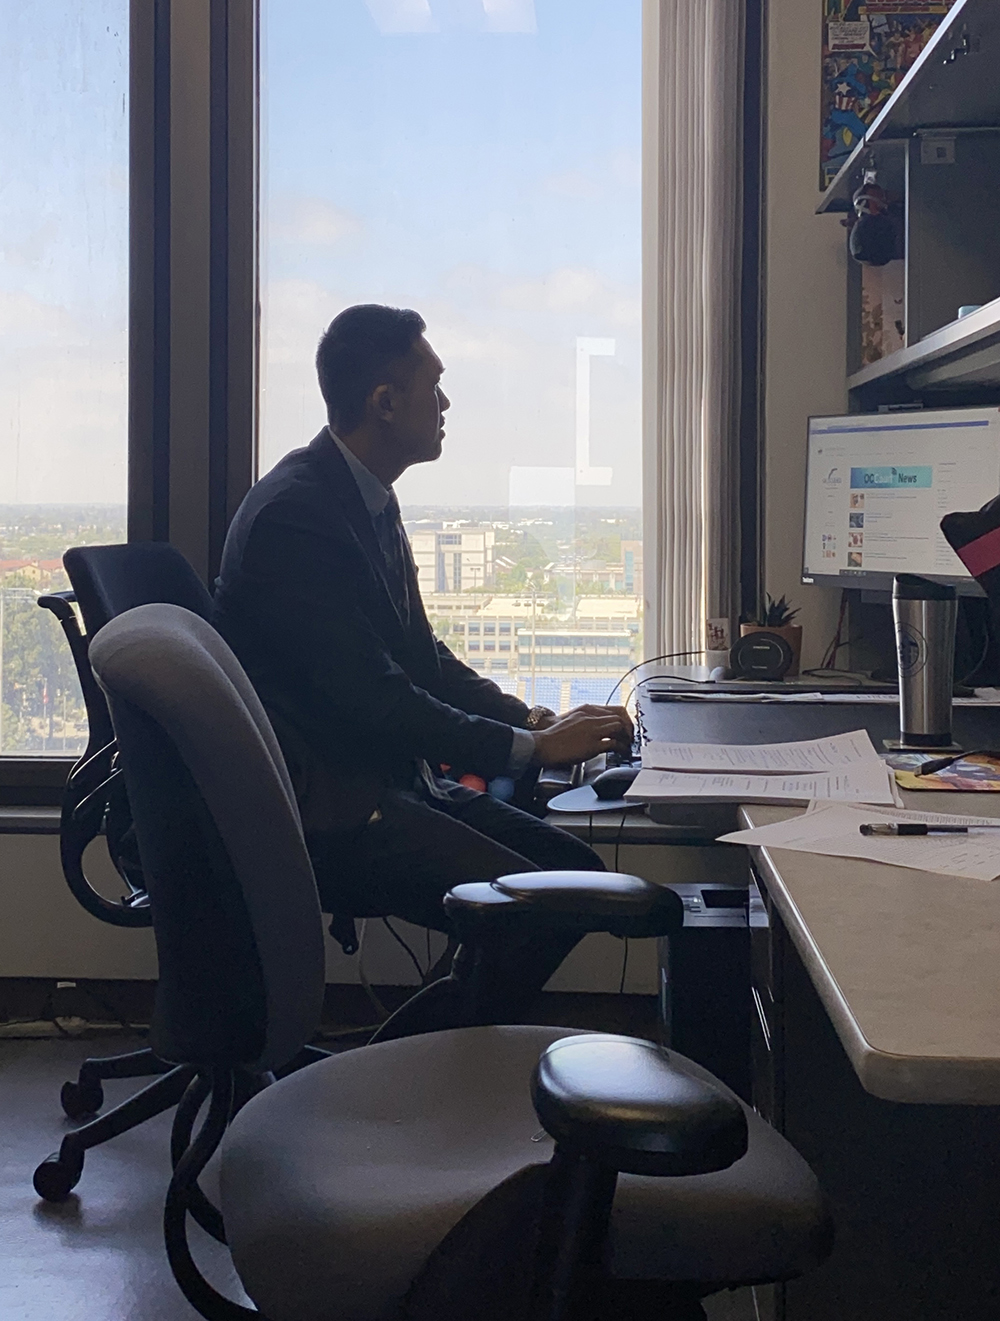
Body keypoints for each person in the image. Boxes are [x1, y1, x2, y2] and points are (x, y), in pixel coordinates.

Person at [214, 303, 634, 1010]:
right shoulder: (300, 517)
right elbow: (379, 697)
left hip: (388, 780)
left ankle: (433, 1071)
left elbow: (421, 658)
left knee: (574, 874)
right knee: (537, 909)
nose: (444, 403)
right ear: (384, 402)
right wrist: (530, 747)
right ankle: (416, 1084)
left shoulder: (365, 499)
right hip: (332, 807)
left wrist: (530, 719)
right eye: (432, 385)